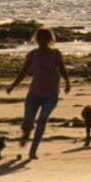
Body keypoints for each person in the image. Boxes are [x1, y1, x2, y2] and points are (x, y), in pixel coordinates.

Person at [12, 28, 68, 158]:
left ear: (49, 40)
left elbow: (63, 69)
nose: (41, 41)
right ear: (37, 39)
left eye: (45, 39)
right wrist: (13, 86)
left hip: (51, 95)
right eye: (39, 39)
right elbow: (23, 72)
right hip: (34, 94)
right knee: (27, 122)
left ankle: (33, 151)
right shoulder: (33, 54)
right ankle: (26, 134)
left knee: (42, 121)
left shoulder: (55, 54)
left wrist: (67, 83)